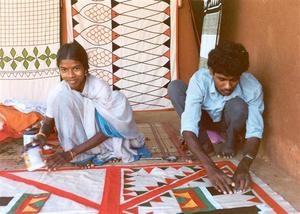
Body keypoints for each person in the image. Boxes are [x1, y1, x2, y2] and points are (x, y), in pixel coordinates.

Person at [32, 41, 147, 170]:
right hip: (79, 140)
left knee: (118, 99)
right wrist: (41, 136)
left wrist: (71, 153)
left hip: (103, 140)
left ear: (85, 68)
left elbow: (107, 130)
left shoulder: (99, 88)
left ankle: (77, 152)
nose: (70, 76)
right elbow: (48, 121)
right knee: (62, 98)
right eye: (64, 70)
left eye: (76, 68)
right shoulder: (58, 91)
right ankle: (78, 154)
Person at [168, 41, 264, 194]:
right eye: (222, 79)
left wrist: (244, 166)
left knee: (239, 106)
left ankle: (230, 140)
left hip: (228, 122)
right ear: (211, 71)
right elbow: (189, 124)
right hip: (204, 120)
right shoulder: (200, 79)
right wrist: (210, 167)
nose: (227, 86)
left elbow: (255, 131)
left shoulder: (252, 86)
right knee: (175, 87)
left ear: (241, 75)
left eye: (233, 80)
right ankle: (204, 143)